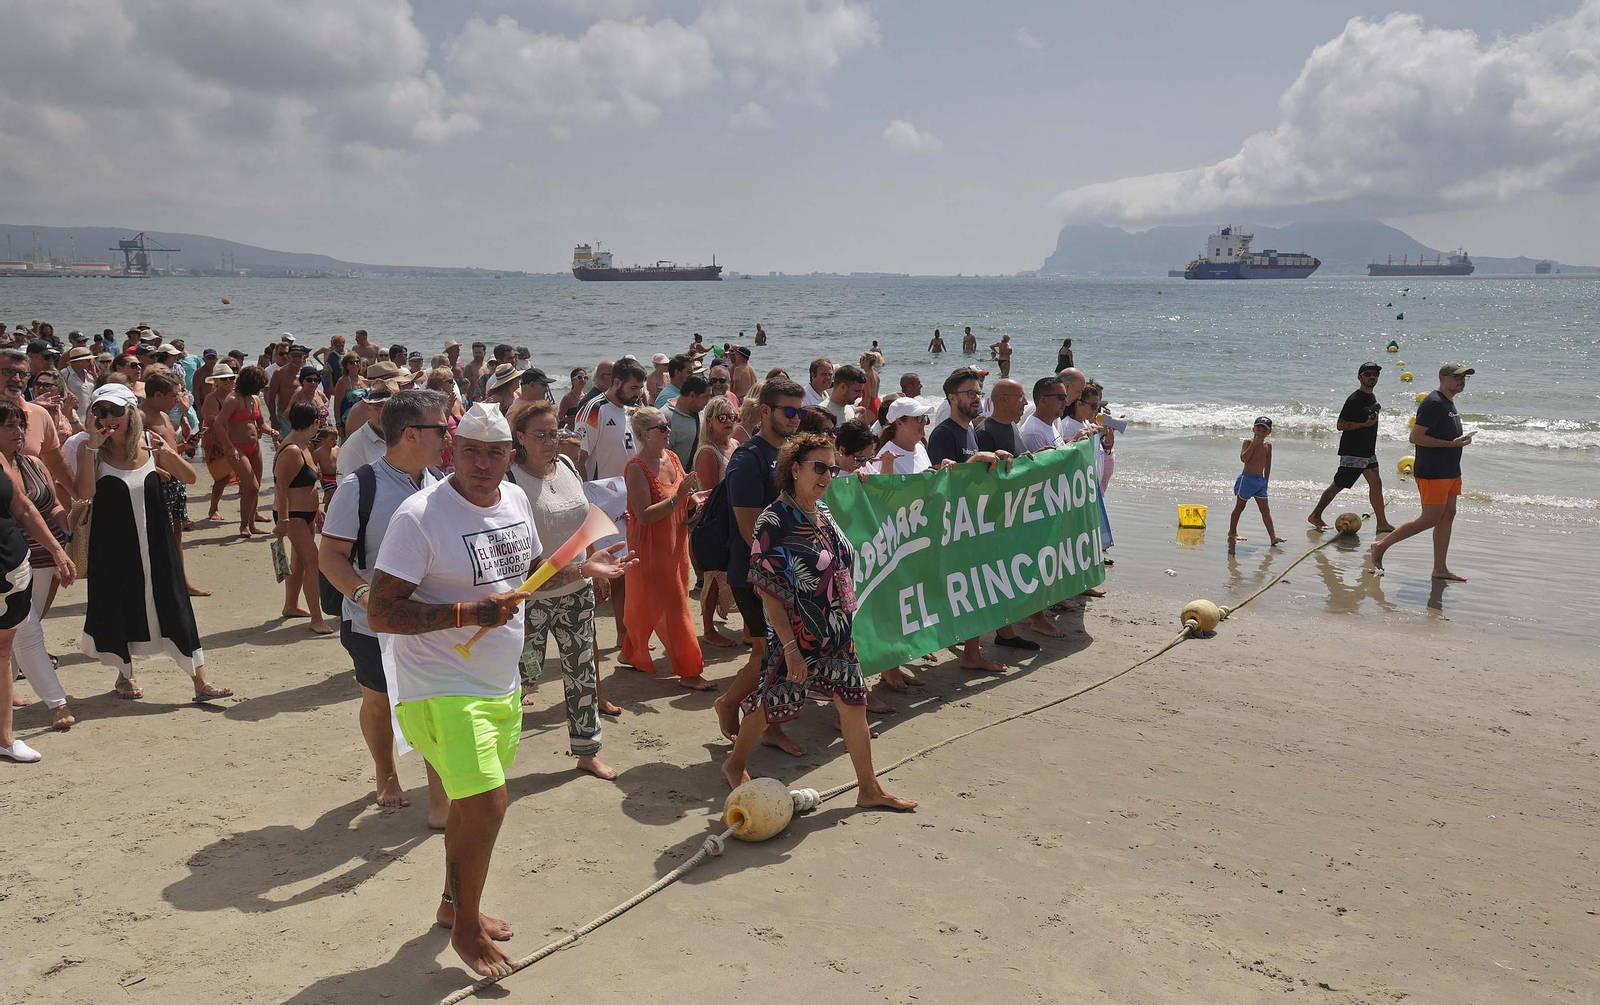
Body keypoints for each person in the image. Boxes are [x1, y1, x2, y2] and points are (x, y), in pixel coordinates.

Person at [366, 401, 537, 980]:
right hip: (437, 686)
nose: (482, 463)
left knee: (470, 806)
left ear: (510, 455)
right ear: (451, 451)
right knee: (488, 805)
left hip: (498, 682)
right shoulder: (419, 517)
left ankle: (452, 904)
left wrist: (586, 570)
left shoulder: (515, 500)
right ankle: (465, 931)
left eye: (495, 452)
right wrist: (467, 611)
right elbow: (382, 614)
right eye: (471, 450)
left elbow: (525, 574)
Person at [720, 432, 915, 810]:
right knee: (771, 703)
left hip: (837, 629)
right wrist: (791, 649)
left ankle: (869, 788)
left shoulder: (822, 511)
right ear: (794, 469)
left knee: (852, 703)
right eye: (819, 467)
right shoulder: (773, 520)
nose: (827, 475)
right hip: (797, 634)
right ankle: (735, 762)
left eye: (831, 467)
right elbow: (770, 593)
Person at [319, 389, 450, 820]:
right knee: (378, 701)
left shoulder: (438, 483)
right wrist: (361, 594)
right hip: (372, 624)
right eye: (441, 427)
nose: (449, 434)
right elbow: (331, 555)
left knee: (433, 704)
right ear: (411, 434)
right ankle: (386, 773)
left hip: (428, 621)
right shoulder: (360, 486)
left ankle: (441, 799)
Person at [75, 384, 229, 702]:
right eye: (101, 411)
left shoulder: (150, 444)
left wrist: (167, 453)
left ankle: (201, 682)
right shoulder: (91, 450)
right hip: (113, 550)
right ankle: (124, 676)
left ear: (131, 412)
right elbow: (85, 492)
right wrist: (92, 445)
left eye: (116, 411)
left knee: (176, 606)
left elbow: (191, 477)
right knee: (120, 608)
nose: (109, 418)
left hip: (157, 545)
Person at [507, 401, 635, 778]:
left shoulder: (565, 466)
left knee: (581, 674)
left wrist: (597, 564)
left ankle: (587, 751)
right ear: (520, 439)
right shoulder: (510, 481)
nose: (551, 441)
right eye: (541, 435)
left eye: (555, 432)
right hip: (531, 597)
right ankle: (494, 748)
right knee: (522, 676)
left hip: (577, 590)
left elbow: (587, 519)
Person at [712, 377, 805, 752]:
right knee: (775, 653)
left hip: (792, 570)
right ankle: (754, 716)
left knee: (771, 652)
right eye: (789, 411)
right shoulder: (748, 459)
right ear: (765, 411)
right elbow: (751, 529)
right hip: (756, 574)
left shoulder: (791, 454)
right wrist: (784, 571)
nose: (796, 418)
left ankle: (739, 706)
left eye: (801, 411)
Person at [927, 367, 1034, 668]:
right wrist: (974, 461)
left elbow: (972, 473)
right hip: (953, 525)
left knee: (975, 589)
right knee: (962, 590)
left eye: (978, 393)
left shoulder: (971, 430)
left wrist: (997, 457)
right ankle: (964, 651)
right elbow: (937, 481)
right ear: (951, 397)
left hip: (972, 522)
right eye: (970, 393)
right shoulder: (943, 432)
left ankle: (972, 652)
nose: (976, 399)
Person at [619, 406, 710, 689]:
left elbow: (683, 496)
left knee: (648, 602)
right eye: (662, 428)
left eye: (667, 425)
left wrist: (694, 501)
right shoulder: (636, 467)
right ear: (645, 435)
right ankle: (690, 670)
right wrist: (679, 498)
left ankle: (631, 652)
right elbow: (643, 514)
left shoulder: (671, 457)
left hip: (675, 541)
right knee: (675, 604)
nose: (668, 431)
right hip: (649, 545)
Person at [0, 400, 76, 731]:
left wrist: (64, 543)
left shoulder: (32, 462)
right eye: (10, 426)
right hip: (11, 559)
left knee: (16, 632)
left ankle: (9, 691)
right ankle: (57, 703)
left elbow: (41, 508)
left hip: (37, 558)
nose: (19, 432)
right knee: (28, 630)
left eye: (21, 426)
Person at [1371, 363, 1476, 581]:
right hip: (1433, 471)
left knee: (1448, 516)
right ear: (1442, 378)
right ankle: (1381, 545)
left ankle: (1440, 569)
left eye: (1464, 377)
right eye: (1457, 377)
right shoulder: (1434, 403)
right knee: (1430, 518)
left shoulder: (1448, 403)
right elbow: (1416, 437)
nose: (1461, 381)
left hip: (1450, 470)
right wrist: (1450, 445)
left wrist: (1457, 443)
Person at [140, 369, 207, 596]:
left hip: (175, 481)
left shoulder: (165, 416)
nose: (177, 400)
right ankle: (158, 585)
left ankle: (182, 582)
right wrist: (153, 469)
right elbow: (132, 452)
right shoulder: (141, 417)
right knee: (158, 536)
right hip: (157, 482)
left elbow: (168, 450)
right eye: (173, 395)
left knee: (177, 533)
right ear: (157, 395)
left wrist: (186, 446)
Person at [272, 403, 335, 635]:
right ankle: (317, 618)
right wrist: (283, 521)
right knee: (313, 561)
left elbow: (307, 483)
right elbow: (280, 488)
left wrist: (316, 508)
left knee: (299, 561)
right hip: (292, 516)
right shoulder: (290, 450)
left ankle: (290, 606)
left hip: (306, 513)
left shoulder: (304, 445)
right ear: (314, 422)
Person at [1310, 362, 1394, 533]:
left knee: (1376, 484)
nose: (1372, 377)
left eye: (1375, 374)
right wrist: (1364, 424)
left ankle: (1382, 523)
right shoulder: (1354, 399)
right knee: (1338, 485)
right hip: (1354, 451)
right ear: (1360, 377)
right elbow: (1340, 425)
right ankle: (1315, 515)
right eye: (1368, 374)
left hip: (1367, 451)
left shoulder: (1371, 397)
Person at [0, 349, 75, 504]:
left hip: (34, 512)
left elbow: (56, 462)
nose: (16, 379)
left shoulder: (39, 414)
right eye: (8, 372)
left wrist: (79, 496)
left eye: (23, 374)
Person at [694, 396, 740, 647]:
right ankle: (709, 628)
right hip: (715, 520)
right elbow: (710, 493)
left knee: (735, 572)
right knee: (713, 575)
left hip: (735, 515)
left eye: (732, 417)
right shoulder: (707, 452)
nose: (728, 422)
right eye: (722, 417)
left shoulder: (734, 444)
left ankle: (742, 626)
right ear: (709, 421)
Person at [220, 365, 270, 536]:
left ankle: (252, 524)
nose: (261, 388)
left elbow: (261, 424)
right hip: (237, 448)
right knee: (252, 487)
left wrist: (272, 431)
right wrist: (228, 446)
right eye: (259, 384)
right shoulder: (232, 399)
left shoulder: (255, 399)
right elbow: (218, 424)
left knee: (255, 487)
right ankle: (243, 525)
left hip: (254, 447)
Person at [1229, 417, 1285, 544]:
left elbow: (1268, 463)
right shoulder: (1248, 442)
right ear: (1253, 429)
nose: (1260, 433)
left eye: (1263, 431)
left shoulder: (1268, 446)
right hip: (1247, 479)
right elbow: (1244, 458)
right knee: (1240, 507)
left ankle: (1273, 537)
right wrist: (1254, 444)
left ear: (1269, 432)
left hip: (1260, 481)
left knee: (1265, 509)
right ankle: (1232, 532)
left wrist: (1266, 481)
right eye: (1258, 430)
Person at [199, 365, 237, 521]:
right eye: (224, 379)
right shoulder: (211, 398)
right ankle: (213, 509)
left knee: (247, 475)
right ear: (216, 381)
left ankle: (251, 512)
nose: (228, 381)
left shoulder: (236, 396)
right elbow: (210, 420)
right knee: (221, 477)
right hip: (216, 441)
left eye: (231, 378)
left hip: (234, 438)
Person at [874, 397, 933, 474]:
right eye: (919, 418)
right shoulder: (886, 457)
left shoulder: (920, 449)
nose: (925, 421)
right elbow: (881, 486)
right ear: (899, 423)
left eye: (924, 417)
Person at [664, 374, 708, 469]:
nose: (708, 401)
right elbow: (658, 455)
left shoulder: (700, 411)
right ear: (692, 395)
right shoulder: (666, 417)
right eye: (705, 397)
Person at [974, 378, 1025, 455]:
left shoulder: (1012, 425)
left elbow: (1017, 458)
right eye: (1021, 396)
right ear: (1004, 400)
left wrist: (1037, 455)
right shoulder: (985, 434)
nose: (1025, 402)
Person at [1022, 376, 1068, 453]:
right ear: (1043, 400)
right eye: (1061, 397)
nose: (1066, 402)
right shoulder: (1034, 434)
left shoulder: (1047, 424)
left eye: (1066, 396)